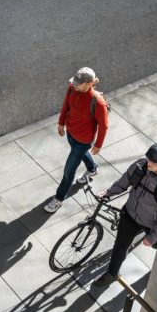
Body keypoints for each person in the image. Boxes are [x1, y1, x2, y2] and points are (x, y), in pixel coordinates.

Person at [92, 142, 157, 287]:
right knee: (120, 245)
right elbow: (125, 180)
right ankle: (112, 273)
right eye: (149, 159)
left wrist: (152, 237)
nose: (149, 163)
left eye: (154, 162)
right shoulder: (141, 165)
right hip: (130, 213)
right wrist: (109, 192)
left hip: (151, 224)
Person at [44, 67, 109, 213]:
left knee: (69, 171)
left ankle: (59, 198)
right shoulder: (72, 88)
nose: (74, 84)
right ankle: (92, 169)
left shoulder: (98, 102)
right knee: (78, 153)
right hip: (71, 134)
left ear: (89, 83)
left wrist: (98, 145)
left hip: (83, 141)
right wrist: (61, 122)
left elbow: (104, 126)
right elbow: (66, 104)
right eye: (74, 81)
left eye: (78, 83)